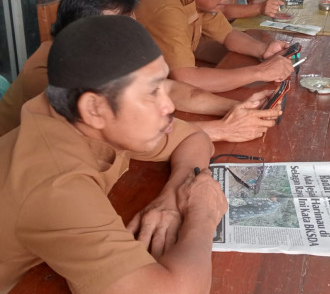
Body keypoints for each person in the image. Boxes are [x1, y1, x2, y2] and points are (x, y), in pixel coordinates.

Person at [0, 15, 227, 294]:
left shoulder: (82, 115)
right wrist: (203, 213)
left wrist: (173, 194)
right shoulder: (55, 183)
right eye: (152, 92)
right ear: (94, 109)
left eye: (164, 87)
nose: (168, 105)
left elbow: (195, 138)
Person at [0, 0, 282, 142]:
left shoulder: (107, 54)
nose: (133, 36)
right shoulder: (56, 72)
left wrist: (232, 107)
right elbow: (118, 136)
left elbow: (166, 87)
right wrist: (221, 129)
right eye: (122, 29)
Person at [135, 0, 294, 93]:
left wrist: (264, 49)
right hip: (145, 92)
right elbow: (186, 78)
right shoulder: (168, 8)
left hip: (171, 80)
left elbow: (227, 35)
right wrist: (259, 72)